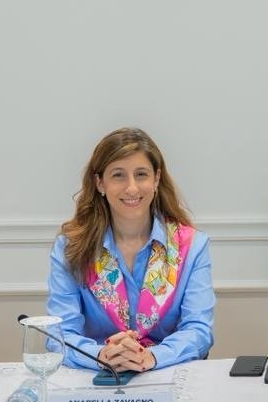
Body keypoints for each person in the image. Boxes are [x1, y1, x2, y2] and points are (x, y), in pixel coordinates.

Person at [47, 128, 214, 373]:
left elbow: (198, 330)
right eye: (118, 175)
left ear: (156, 179)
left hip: (166, 372)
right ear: (100, 183)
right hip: (96, 376)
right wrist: (101, 355)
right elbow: (60, 334)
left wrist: (151, 357)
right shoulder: (70, 248)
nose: (132, 188)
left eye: (141, 174)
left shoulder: (192, 246)